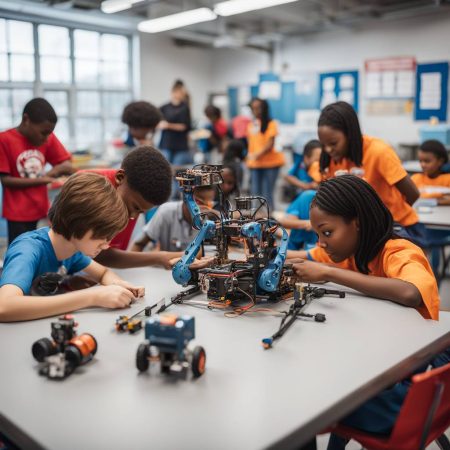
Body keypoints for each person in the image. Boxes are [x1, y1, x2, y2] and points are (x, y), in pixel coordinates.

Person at [286, 175, 446, 449]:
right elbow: (304, 257)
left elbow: (411, 292)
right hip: (389, 368)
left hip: (413, 392)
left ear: (356, 223)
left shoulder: (399, 251)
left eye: (326, 232)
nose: (321, 242)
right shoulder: (349, 249)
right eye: (317, 234)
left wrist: (329, 273)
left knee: (297, 410)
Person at [0, 172, 144, 322]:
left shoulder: (72, 249)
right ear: (78, 223)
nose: (106, 245)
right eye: (103, 236)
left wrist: (119, 286)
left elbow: (103, 274)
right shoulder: (28, 249)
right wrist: (93, 297)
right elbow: (4, 306)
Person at [314, 101, 425, 246]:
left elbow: (413, 194)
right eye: (323, 145)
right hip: (363, 229)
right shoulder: (331, 160)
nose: (328, 149)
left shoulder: (378, 151)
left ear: (350, 134)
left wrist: (385, 218)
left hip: (398, 227)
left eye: (333, 143)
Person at [87, 145, 179, 269]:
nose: (133, 217)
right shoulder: (88, 190)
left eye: (141, 212)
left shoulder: (129, 197)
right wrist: (160, 257)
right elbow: (99, 254)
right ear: (120, 178)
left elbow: (110, 254)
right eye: (135, 208)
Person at [0, 98, 74, 245]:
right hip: (17, 212)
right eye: (43, 133)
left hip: (41, 208)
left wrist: (53, 172)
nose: (47, 139)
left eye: (49, 133)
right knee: (20, 250)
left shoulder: (47, 137)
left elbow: (66, 163)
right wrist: (45, 179)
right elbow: (6, 180)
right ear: (26, 119)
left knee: (38, 248)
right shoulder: (5, 140)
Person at [130, 186, 215, 253]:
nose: (204, 208)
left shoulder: (210, 218)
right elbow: (139, 244)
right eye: (199, 202)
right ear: (185, 198)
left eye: (209, 204)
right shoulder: (166, 212)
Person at [246, 98, 285, 210]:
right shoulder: (251, 125)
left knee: (268, 193)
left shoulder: (271, 124)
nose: (256, 110)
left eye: (258, 108)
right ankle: (255, 220)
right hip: (255, 164)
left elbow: (270, 144)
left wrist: (256, 155)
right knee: (255, 192)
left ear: (264, 108)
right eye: (253, 108)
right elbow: (251, 144)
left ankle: (270, 219)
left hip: (271, 163)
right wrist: (250, 157)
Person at [158, 79, 192, 166]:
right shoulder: (164, 107)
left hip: (180, 145)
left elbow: (184, 126)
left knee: (177, 169)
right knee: (164, 167)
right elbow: (157, 122)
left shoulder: (185, 108)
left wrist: (168, 125)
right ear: (172, 92)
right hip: (166, 143)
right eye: (176, 92)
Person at [411, 139, 450, 205]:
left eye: (427, 161)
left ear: (440, 161)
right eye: (420, 161)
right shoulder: (415, 178)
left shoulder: (448, 179)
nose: (423, 165)